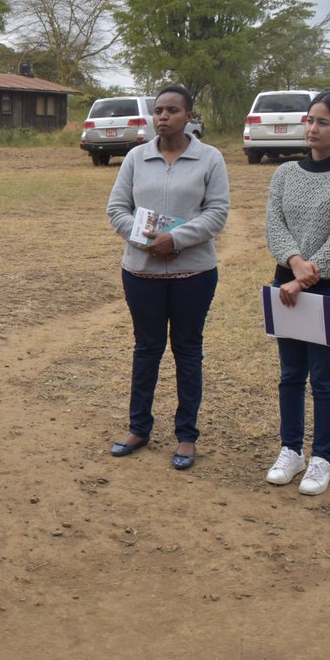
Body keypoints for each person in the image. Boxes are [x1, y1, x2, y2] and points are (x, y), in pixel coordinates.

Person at [105, 85, 230, 471]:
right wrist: (142, 239)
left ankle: (187, 436)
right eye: (158, 110)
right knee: (146, 349)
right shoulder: (136, 158)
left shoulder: (209, 159)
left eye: (172, 110)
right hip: (140, 272)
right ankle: (138, 428)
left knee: (188, 351)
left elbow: (217, 213)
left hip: (192, 274)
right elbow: (116, 208)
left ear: (189, 116)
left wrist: (175, 240)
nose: (163, 117)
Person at [264, 92, 330, 496]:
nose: (312, 128)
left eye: (323, 122)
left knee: (324, 379)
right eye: (309, 120)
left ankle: (321, 458)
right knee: (290, 376)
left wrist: (307, 275)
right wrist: (294, 265)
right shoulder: (285, 174)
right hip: (286, 287)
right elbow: (274, 224)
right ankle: (290, 450)